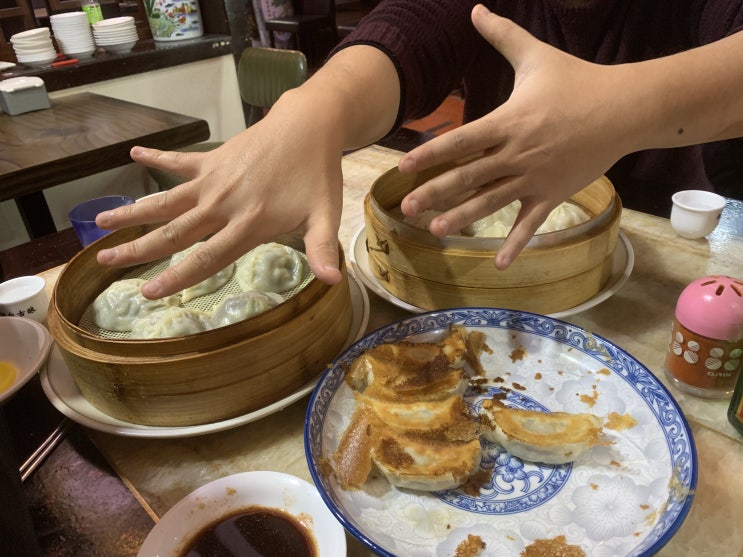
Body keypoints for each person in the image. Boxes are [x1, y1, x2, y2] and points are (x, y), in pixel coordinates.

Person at [95, 1, 743, 300]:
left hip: (662, 278)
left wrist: (621, 107)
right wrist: (310, 111)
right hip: (480, 266)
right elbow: (410, 31)